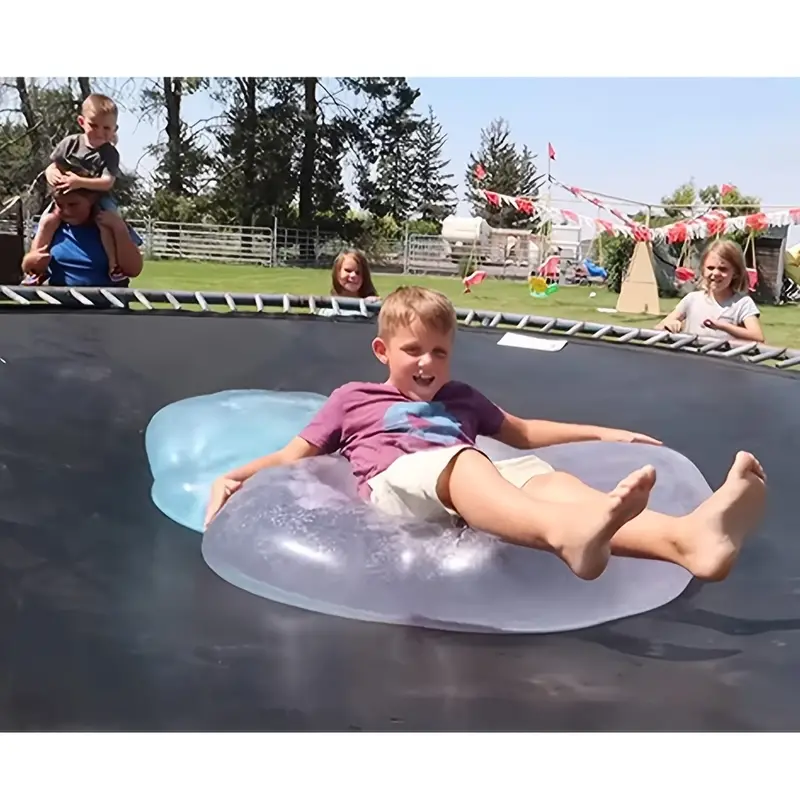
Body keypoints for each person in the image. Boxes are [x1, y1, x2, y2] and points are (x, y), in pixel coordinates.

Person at [204, 286, 766, 583]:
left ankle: (689, 541)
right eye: (413, 351)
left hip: (468, 479)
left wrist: (607, 433)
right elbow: (292, 455)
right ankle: (567, 537)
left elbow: (522, 432)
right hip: (398, 487)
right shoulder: (354, 398)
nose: (428, 363)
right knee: (467, 462)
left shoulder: (461, 398)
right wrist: (231, 477)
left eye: (440, 352)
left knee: (553, 482)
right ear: (382, 351)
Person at [27, 93, 127, 285]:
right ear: (82, 122)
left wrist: (79, 182)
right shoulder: (70, 143)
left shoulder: (110, 153)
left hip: (99, 196)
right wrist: (51, 173)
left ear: (115, 129)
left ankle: (114, 266)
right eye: (94, 125)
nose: (100, 132)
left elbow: (107, 182)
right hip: (66, 195)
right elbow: (55, 165)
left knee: (109, 221)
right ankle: (36, 267)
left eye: (106, 128)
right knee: (46, 221)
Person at [21, 187, 143, 288]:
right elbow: (30, 268)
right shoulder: (51, 226)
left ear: (91, 200)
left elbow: (133, 270)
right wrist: (31, 263)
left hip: (109, 309)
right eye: (60, 205)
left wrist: (119, 228)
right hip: (61, 310)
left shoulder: (112, 226)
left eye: (73, 204)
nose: (66, 211)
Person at [656, 240, 765, 344]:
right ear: (703, 270)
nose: (716, 273)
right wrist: (669, 325)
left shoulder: (742, 303)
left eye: (723, 269)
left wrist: (723, 326)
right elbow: (658, 329)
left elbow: (757, 337)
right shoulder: (692, 299)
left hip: (725, 362)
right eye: (710, 268)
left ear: (735, 273)